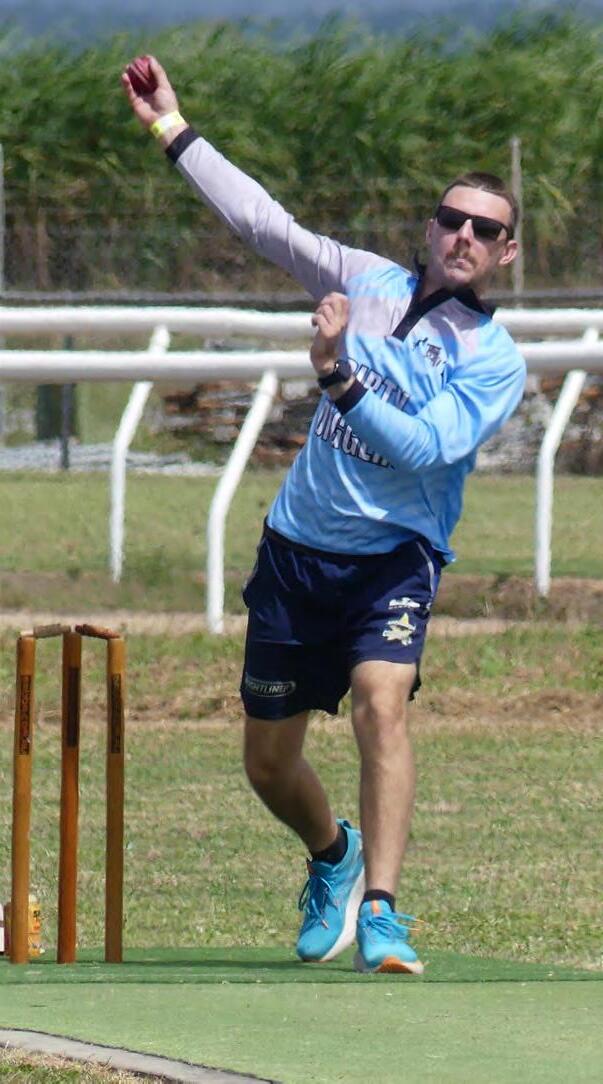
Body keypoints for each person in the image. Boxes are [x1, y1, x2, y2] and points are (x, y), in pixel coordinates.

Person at [122, 56, 526, 974]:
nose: (463, 235)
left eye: (485, 229)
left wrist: (339, 373)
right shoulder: (362, 277)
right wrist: (170, 126)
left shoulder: (493, 358)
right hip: (298, 549)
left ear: (505, 252)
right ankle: (333, 855)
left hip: (392, 560)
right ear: (430, 228)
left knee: (381, 706)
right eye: (451, 219)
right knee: (267, 764)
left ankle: (381, 910)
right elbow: (260, 221)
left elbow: (423, 448)